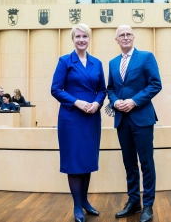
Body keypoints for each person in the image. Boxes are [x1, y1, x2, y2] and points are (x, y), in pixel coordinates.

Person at [51, 23, 106, 222]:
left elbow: (102, 89)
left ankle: (84, 201)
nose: (81, 40)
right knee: (74, 161)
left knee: (87, 160)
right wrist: (77, 102)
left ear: (89, 39)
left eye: (85, 37)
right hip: (72, 117)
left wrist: (97, 104)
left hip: (91, 116)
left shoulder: (97, 63)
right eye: (78, 37)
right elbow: (56, 89)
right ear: (73, 39)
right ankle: (76, 206)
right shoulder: (65, 61)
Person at [107, 24, 162, 222]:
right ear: (116, 40)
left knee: (146, 163)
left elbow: (156, 84)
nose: (125, 37)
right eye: (121, 35)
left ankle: (148, 205)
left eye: (129, 34)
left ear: (133, 37)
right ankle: (133, 202)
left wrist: (134, 101)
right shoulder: (113, 63)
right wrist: (114, 101)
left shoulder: (146, 57)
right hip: (122, 120)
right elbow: (110, 88)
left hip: (142, 119)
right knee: (129, 164)